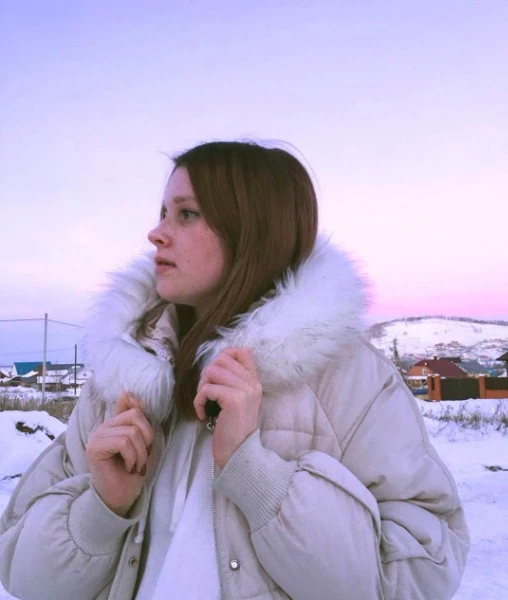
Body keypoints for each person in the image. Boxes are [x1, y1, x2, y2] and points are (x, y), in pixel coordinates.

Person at [0, 141, 469, 600]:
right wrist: (101, 510)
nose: (156, 233)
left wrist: (257, 476)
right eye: (163, 212)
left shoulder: (349, 378)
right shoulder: (122, 376)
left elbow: (422, 572)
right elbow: (21, 573)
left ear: (253, 233)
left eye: (186, 214)